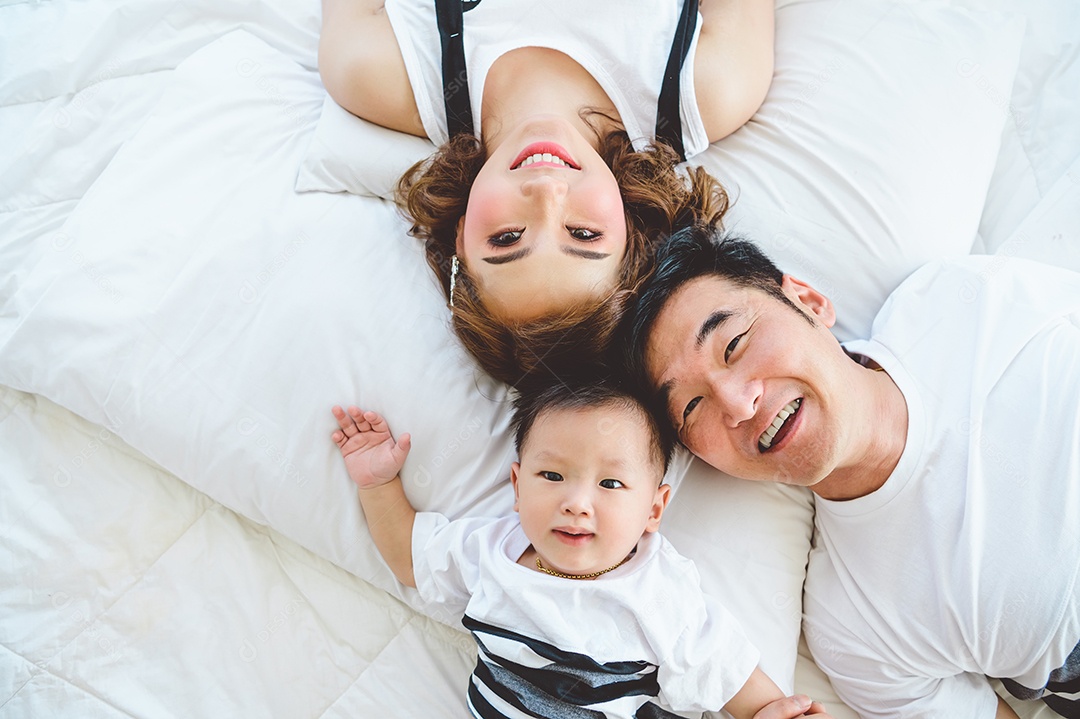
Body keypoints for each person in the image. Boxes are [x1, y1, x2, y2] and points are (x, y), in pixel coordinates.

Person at [619, 224, 1080, 719]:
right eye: (691, 408)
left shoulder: (954, 300)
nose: (738, 403)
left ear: (810, 302)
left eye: (733, 344)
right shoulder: (852, 631)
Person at [318, 0, 773, 385]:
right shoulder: (709, 87)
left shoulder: (370, 70)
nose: (547, 191)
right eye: (583, 234)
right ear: (633, 235)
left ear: (460, 237)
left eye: (507, 238)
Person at [330, 379, 833, 719]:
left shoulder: (659, 590)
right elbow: (410, 559)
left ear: (654, 510)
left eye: (611, 484)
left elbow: (727, 671)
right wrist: (378, 484)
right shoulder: (491, 552)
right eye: (552, 476)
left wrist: (775, 711)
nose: (576, 503)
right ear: (518, 485)